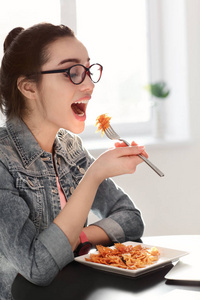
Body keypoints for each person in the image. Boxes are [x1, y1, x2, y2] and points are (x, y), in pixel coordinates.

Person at [0, 23, 148, 300]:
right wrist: (94, 175)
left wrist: (78, 238)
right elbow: (37, 266)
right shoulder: (2, 161)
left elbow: (130, 219)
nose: (90, 85)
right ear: (28, 87)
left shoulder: (70, 148)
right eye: (72, 72)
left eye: (90, 70)